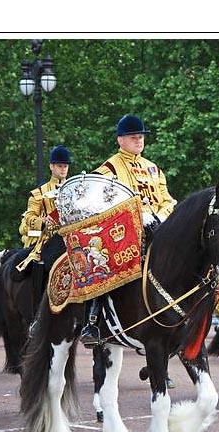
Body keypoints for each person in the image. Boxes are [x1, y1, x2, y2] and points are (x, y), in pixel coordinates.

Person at [81, 115, 177, 345]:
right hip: (124, 232)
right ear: (120, 140)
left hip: (158, 227)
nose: (139, 140)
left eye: (141, 136)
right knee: (101, 263)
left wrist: (161, 215)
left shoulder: (153, 169)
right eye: (133, 137)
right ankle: (92, 321)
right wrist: (136, 215)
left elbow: (168, 199)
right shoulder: (108, 168)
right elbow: (99, 203)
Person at [17, 145, 71, 261]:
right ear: (51, 166)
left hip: (72, 237)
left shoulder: (75, 189)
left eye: (65, 166)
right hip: (48, 239)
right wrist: (43, 222)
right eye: (59, 166)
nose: (63, 169)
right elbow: (29, 216)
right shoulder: (39, 193)